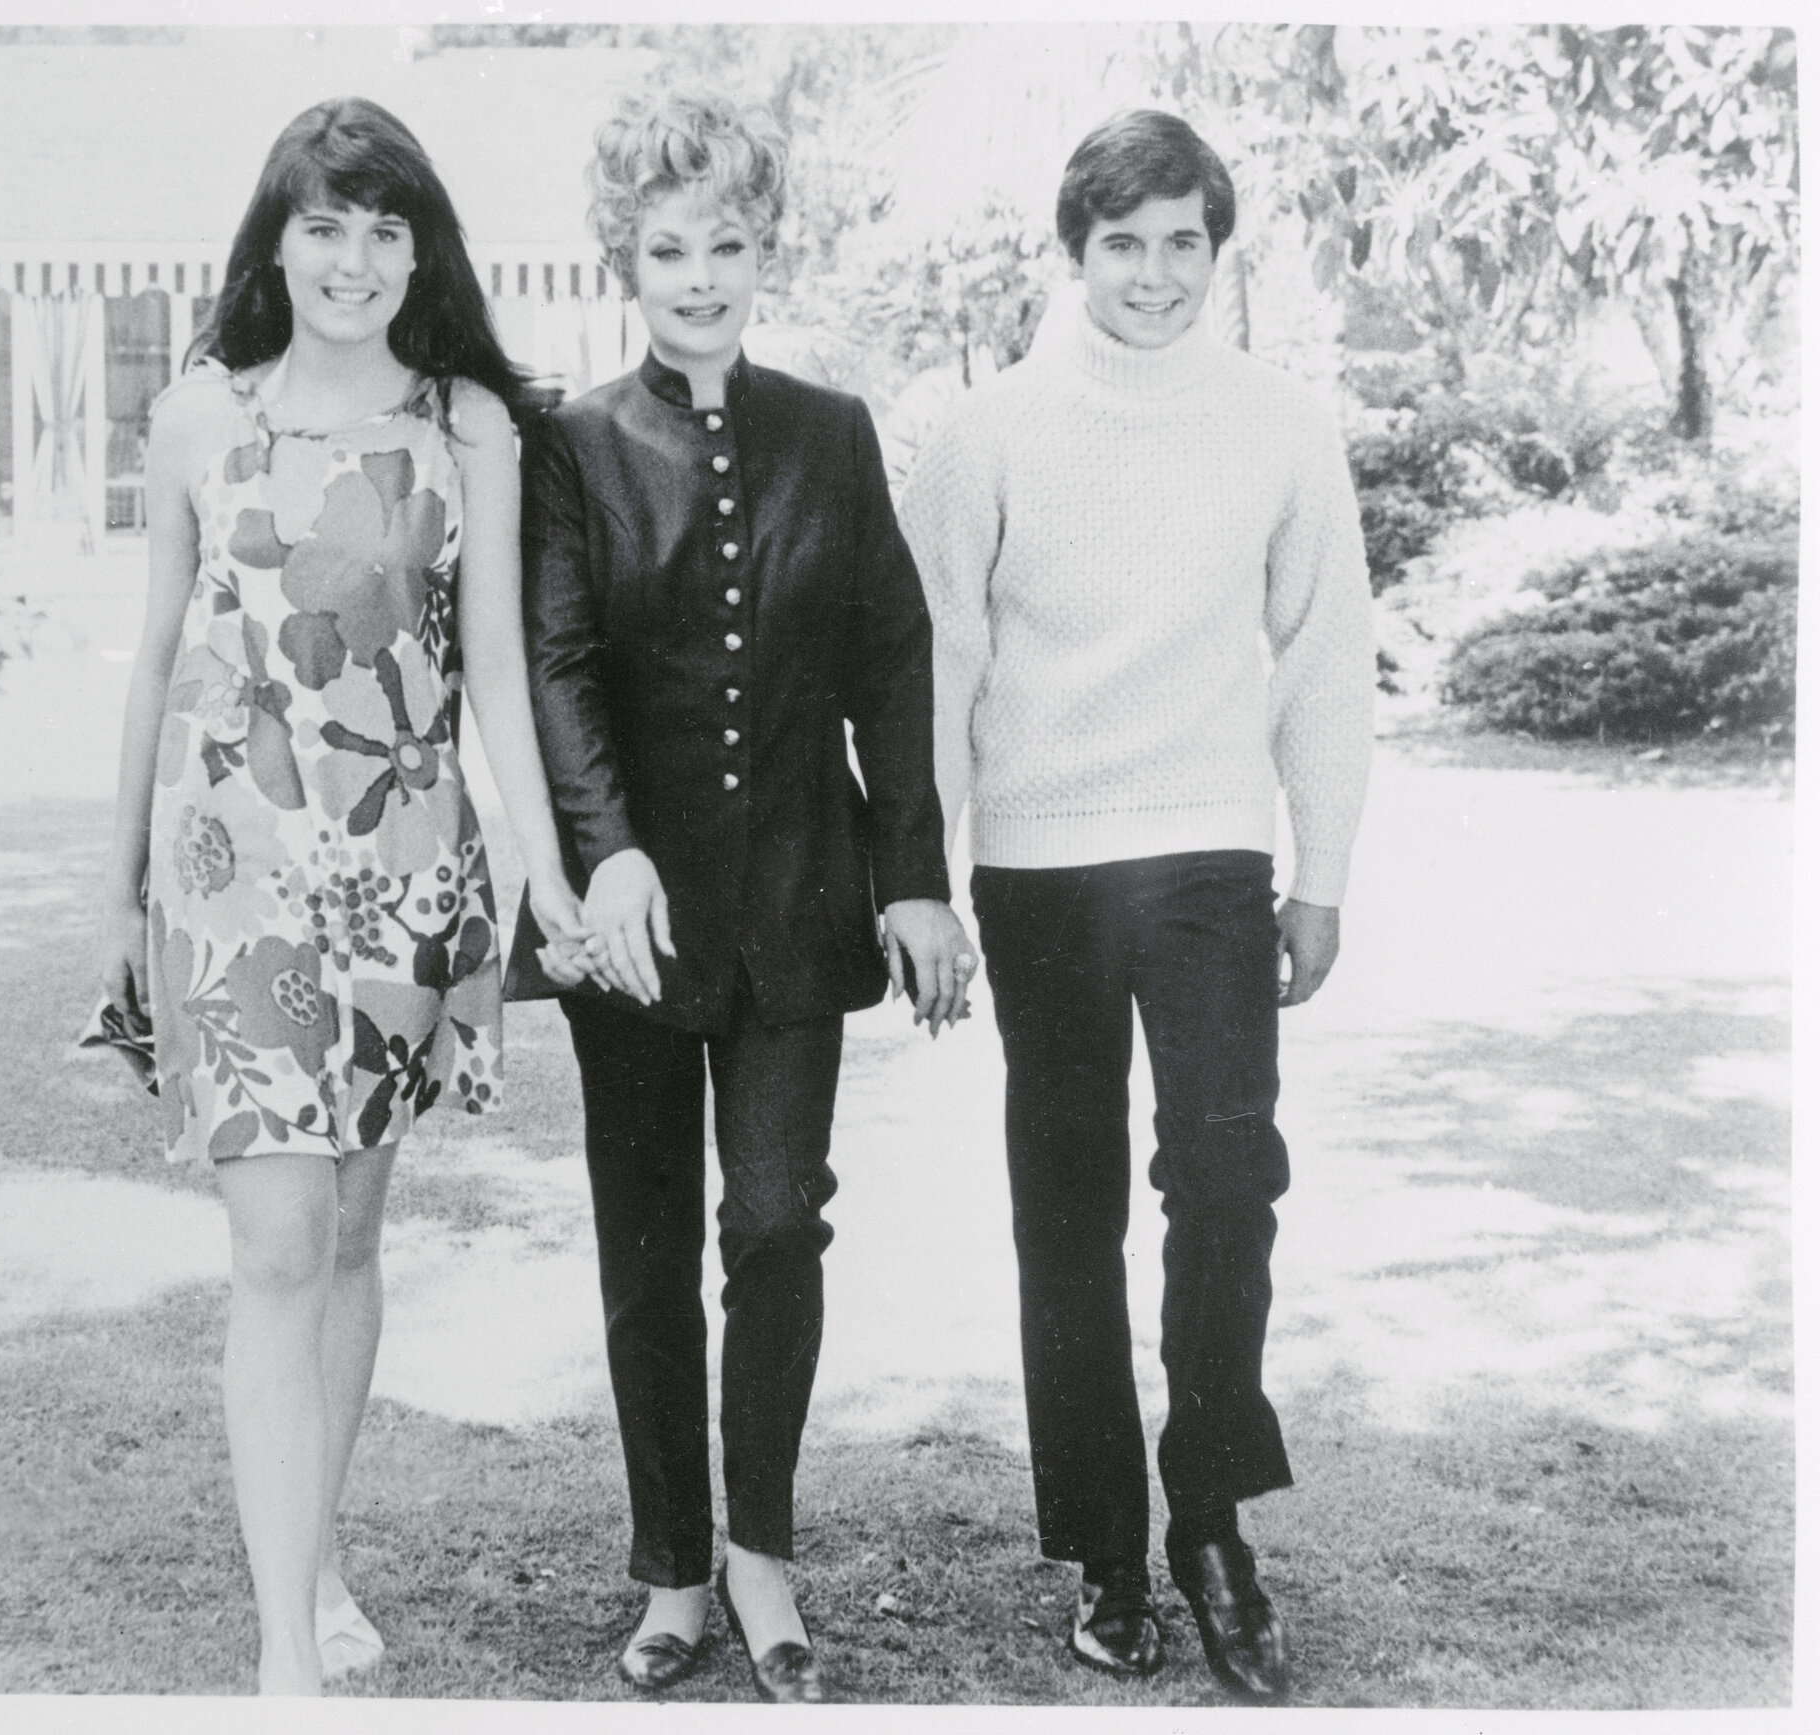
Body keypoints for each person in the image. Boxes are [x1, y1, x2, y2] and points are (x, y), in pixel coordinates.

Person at [91, 98, 584, 1696]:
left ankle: (311, 1556)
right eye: (325, 226)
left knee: (355, 1240)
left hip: (403, 877)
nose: (355, 259)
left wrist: (551, 877)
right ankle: (282, 1662)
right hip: (231, 882)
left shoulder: (468, 430)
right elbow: (156, 664)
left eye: (386, 229)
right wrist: (116, 900)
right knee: (279, 1253)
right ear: (277, 242)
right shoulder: (192, 420)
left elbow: (497, 674)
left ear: (419, 248)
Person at [898, 109, 1374, 1703]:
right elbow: (943, 663)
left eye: (1186, 243)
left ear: (1216, 249)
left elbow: (1320, 658)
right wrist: (929, 877)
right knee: (1067, 1205)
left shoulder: (1280, 426)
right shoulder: (992, 434)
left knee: (1229, 1176)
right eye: (1125, 246)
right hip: (1037, 864)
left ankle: (1215, 1517)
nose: (1156, 275)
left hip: (1210, 857)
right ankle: (1105, 1538)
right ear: (1074, 251)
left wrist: (1325, 870)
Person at [511, 89, 974, 1704]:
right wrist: (604, 846)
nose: (698, 275)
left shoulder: (832, 433)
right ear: (622, 258)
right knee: (645, 1246)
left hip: (795, 904)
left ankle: (764, 1557)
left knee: (775, 1222)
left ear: (766, 247)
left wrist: (914, 880)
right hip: (628, 922)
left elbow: (892, 658)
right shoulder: (573, 445)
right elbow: (556, 662)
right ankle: (670, 1571)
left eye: (725, 242)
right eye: (665, 247)